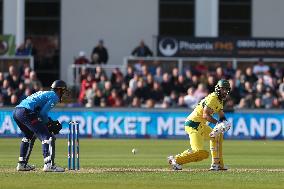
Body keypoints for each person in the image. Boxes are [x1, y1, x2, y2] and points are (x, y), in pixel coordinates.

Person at [168, 79, 232, 171]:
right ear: (218, 89)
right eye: (223, 89)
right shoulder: (212, 98)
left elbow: (221, 115)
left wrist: (225, 122)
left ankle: (217, 164)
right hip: (193, 124)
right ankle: (176, 160)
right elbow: (205, 115)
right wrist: (218, 124)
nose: (225, 91)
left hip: (201, 125)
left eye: (226, 89)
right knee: (201, 153)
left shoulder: (220, 100)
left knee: (218, 136)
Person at [13, 80, 67, 172]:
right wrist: (48, 123)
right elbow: (43, 113)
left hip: (16, 112)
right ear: (59, 90)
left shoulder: (45, 93)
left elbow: (39, 112)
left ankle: (22, 164)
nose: (64, 93)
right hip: (27, 112)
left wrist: (47, 121)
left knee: (29, 135)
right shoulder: (54, 96)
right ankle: (48, 165)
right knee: (47, 137)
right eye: (63, 91)